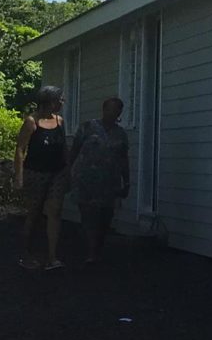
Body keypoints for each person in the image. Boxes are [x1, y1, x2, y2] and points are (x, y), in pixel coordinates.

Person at [68, 97, 130, 264]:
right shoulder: (87, 127)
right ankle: (91, 253)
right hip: (86, 181)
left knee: (105, 218)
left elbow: (124, 159)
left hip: (109, 184)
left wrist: (127, 181)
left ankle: (98, 249)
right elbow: (74, 151)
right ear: (103, 109)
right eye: (110, 109)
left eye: (117, 110)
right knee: (88, 216)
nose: (113, 113)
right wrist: (67, 174)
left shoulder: (120, 134)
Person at [15, 85, 69, 270]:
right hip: (36, 172)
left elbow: (63, 148)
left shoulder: (59, 121)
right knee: (34, 213)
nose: (62, 103)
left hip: (57, 172)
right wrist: (19, 176)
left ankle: (52, 257)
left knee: (55, 211)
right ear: (51, 102)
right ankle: (25, 252)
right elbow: (20, 149)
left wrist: (68, 170)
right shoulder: (32, 122)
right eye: (60, 100)